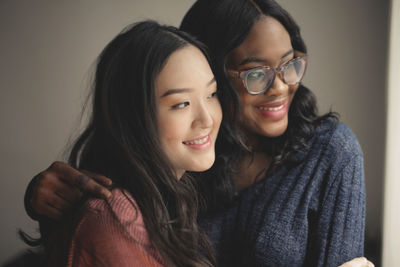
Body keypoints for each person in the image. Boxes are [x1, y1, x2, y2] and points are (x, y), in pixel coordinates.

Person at [24, 0, 371, 266]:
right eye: (255, 73)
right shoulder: (184, 157)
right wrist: (51, 206)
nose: (280, 87)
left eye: (289, 64)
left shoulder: (330, 151)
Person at [27, 20, 226, 266]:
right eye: (181, 104)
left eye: (212, 94)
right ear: (133, 118)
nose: (207, 119)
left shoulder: (173, 193)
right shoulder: (116, 217)